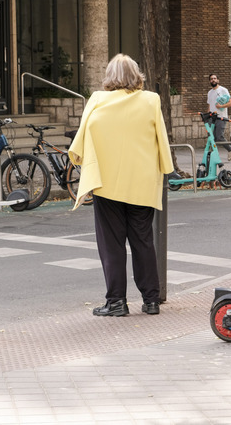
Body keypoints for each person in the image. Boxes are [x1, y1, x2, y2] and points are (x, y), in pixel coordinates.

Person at [69, 54, 174, 317]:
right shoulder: (151, 100)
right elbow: (162, 139)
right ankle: (150, 300)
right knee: (143, 241)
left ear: (109, 76)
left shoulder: (97, 100)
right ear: (136, 75)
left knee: (112, 245)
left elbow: (80, 140)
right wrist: (166, 169)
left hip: (107, 183)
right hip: (142, 182)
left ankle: (116, 302)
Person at [207, 73, 231, 161]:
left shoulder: (223, 90)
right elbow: (209, 105)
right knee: (211, 137)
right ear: (210, 81)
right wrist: (207, 117)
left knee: (219, 137)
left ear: (218, 80)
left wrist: (221, 106)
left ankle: (230, 149)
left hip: (221, 117)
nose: (213, 80)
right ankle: (213, 155)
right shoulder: (210, 92)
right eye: (211, 79)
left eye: (215, 78)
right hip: (212, 117)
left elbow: (230, 103)